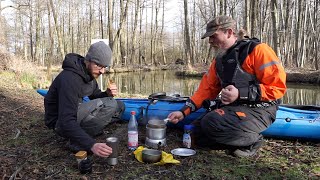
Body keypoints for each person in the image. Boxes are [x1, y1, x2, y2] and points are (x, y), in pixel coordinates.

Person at [167, 16, 287, 157]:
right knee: (193, 134)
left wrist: (240, 93)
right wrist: (183, 112)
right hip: (233, 110)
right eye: (209, 37)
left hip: (261, 110)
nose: (210, 41)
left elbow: (278, 88)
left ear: (229, 32)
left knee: (211, 122)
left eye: (214, 36)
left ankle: (253, 141)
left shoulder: (258, 50)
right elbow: (206, 91)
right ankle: (234, 141)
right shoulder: (219, 61)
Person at [44, 41, 124, 158]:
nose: (102, 71)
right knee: (111, 104)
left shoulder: (89, 74)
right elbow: (66, 119)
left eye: (104, 67)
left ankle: (82, 133)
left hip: (73, 114)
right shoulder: (70, 79)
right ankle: (76, 140)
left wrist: (107, 93)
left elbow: (95, 95)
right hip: (59, 122)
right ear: (88, 60)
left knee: (120, 105)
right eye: (99, 65)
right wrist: (91, 144)